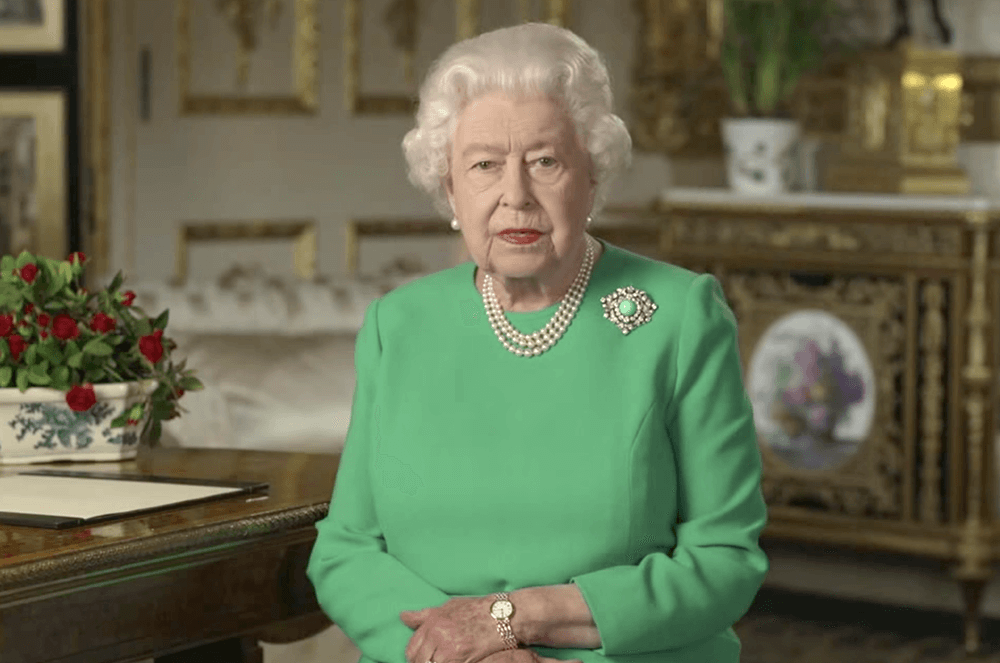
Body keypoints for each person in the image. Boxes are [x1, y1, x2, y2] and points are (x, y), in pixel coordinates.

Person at [307, 22, 768, 663]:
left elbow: (724, 563)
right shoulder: (400, 325)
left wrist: (514, 619)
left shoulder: (678, 317)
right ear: (449, 188)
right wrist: (476, 655)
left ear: (592, 175)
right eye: (484, 165)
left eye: (545, 161)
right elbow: (345, 549)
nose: (515, 195)